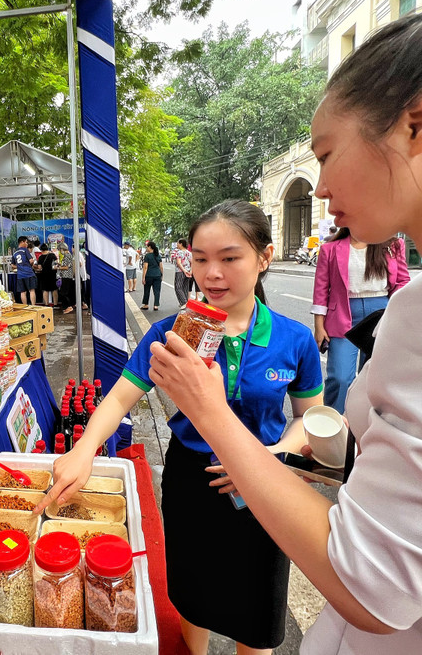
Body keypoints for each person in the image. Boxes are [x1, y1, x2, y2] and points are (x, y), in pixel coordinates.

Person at [144, 0, 422, 652]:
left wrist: (211, 413)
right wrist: (290, 451)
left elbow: (373, 585)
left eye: (326, 154)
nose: (319, 187)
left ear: (419, 123)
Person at [37, 201, 323, 655]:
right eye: (200, 258)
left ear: (264, 258)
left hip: (266, 485)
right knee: (193, 596)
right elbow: (119, 398)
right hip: (191, 480)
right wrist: (85, 449)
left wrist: (270, 458)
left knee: (258, 613)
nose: (212, 273)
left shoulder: (294, 338)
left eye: (230, 258)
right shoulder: (170, 334)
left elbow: (311, 419)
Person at [311, 228, 410, 412]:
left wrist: (395, 309)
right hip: (342, 315)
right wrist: (319, 325)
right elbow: (321, 289)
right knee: (340, 378)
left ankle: (366, 426)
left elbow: (403, 280)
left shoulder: (392, 245)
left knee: (374, 378)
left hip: (381, 314)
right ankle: (334, 427)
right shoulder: (330, 249)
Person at [11, 235, 37, 305]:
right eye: (26, 242)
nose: (27, 244)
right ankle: (33, 306)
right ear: (22, 242)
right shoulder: (25, 250)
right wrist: (30, 265)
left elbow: (12, 265)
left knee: (23, 292)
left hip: (20, 275)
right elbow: (31, 261)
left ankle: (25, 307)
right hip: (29, 273)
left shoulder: (15, 253)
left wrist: (19, 266)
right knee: (31, 290)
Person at [140, 241, 163, 311]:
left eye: (147, 247)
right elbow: (161, 267)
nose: (146, 248)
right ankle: (156, 305)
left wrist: (143, 277)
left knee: (147, 290)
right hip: (157, 275)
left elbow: (145, 267)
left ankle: (146, 304)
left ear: (150, 247)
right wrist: (161, 275)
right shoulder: (158, 256)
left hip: (149, 275)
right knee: (157, 291)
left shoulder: (147, 256)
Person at [173, 238, 194, 308]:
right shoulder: (189, 253)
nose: (177, 245)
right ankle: (186, 302)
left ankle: (184, 302)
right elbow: (192, 263)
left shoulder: (179, 252)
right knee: (185, 287)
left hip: (180, 272)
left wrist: (184, 270)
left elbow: (179, 263)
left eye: (178, 243)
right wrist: (190, 271)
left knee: (178, 287)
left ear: (181, 244)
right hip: (188, 272)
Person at [57, 242, 76, 313]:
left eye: (60, 249)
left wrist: (58, 267)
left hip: (66, 276)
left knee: (63, 293)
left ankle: (68, 306)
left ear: (62, 249)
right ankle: (68, 306)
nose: (60, 251)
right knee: (66, 292)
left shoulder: (67, 255)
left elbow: (66, 267)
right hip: (68, 276)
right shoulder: (68, 255)